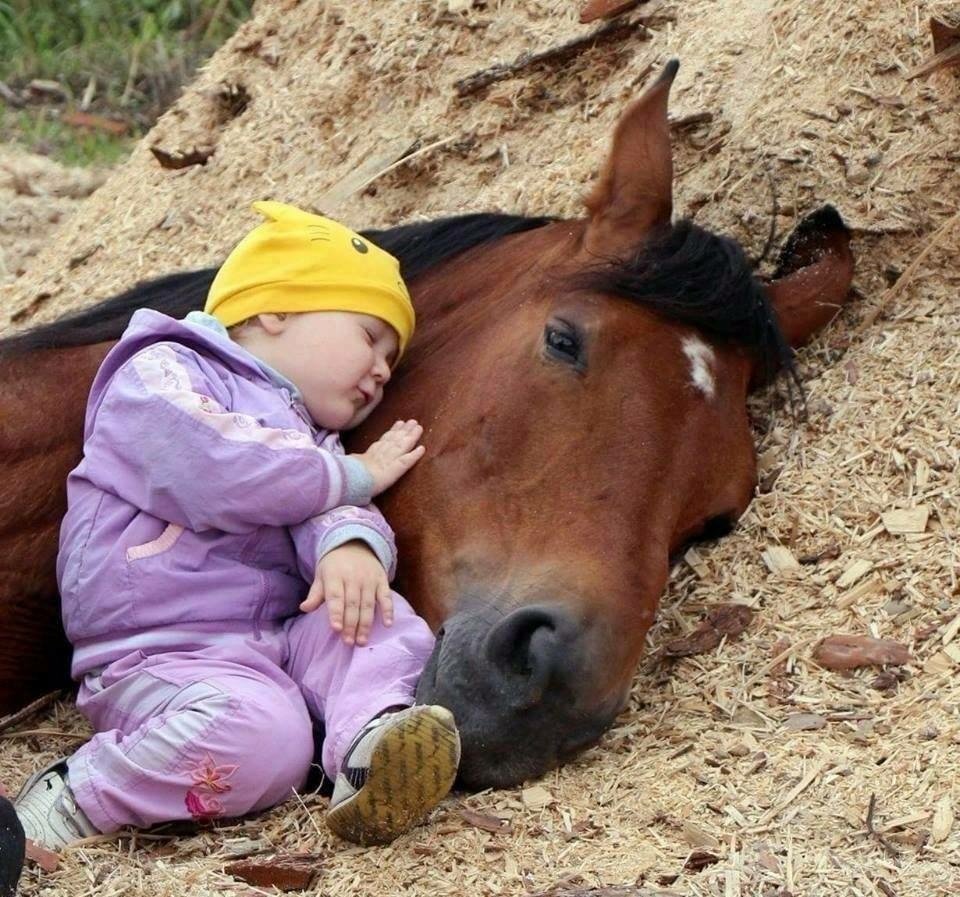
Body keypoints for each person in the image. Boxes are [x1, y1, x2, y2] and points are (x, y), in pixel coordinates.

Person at [13, 201, 460, 851]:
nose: (383, 370)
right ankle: (79, 796)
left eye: (393, 357)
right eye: (370, 336)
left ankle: (373, 743)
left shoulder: (315, 440)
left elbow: (321, 493)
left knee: (369, 613)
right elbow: (219, 464)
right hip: (161, 650)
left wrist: (351, 544)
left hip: (269, 640)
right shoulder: (163, 369)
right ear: (275, 309)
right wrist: (356, 476)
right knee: (266, 741)